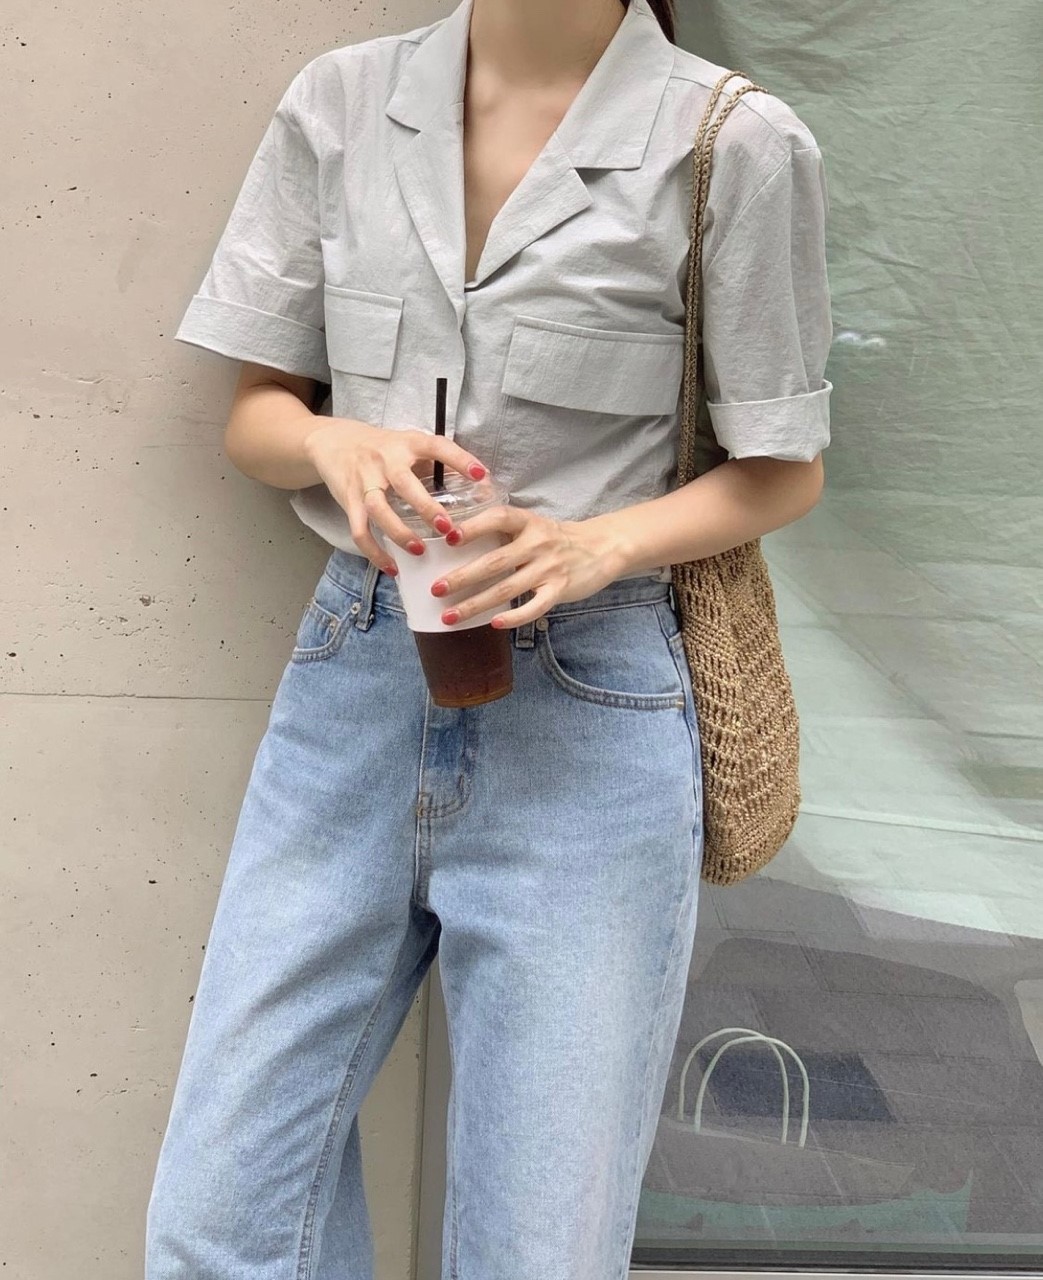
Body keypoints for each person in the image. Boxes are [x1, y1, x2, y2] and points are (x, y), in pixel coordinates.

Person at [144, 0, 833, 1274]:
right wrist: (332, 441)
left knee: (536, 1245)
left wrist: (596, 546)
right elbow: (255, 415)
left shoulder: (732, 140)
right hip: (352, 682)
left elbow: (782, 469)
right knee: (221, 1218)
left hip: (590, 708)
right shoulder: (341, 102)